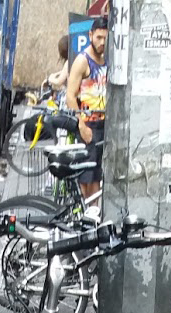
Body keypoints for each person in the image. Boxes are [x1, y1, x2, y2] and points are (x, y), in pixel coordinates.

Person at [66, 17, 108, 198]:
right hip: (88, 125)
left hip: (103, 124)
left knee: (96, 176)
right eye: (98, 38)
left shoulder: (106, 58)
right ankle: (86, 215)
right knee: (87, 177)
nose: (102, 43)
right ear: (90, 35)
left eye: (105, 38)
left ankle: (94, 214)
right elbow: (70, 96)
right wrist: (81, 125)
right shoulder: (82, 61)